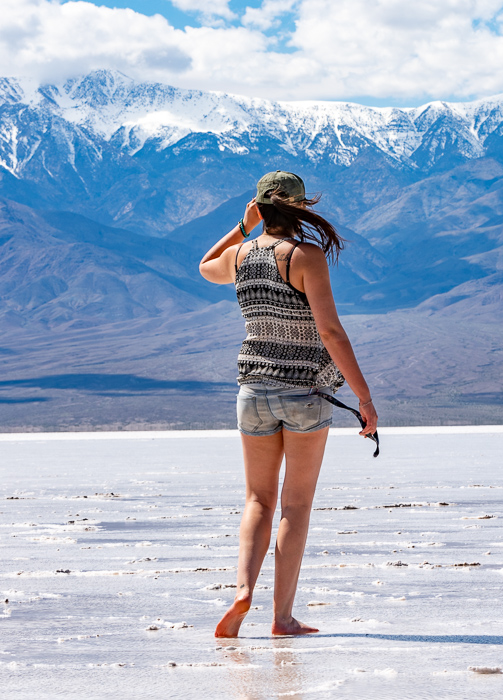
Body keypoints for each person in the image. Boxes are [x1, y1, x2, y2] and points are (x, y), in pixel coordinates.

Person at [199, 171, 378, 637]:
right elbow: (330, 332)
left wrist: (242, 227)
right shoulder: (305, 255)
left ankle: (242, 590)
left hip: (252, 392)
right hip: (304, 394)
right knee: (294, 508)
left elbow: (204, 265)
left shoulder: (238, 256)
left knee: (257, 499)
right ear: (299, 208)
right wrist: (363, 396)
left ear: (259, 207)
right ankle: (281, 619)